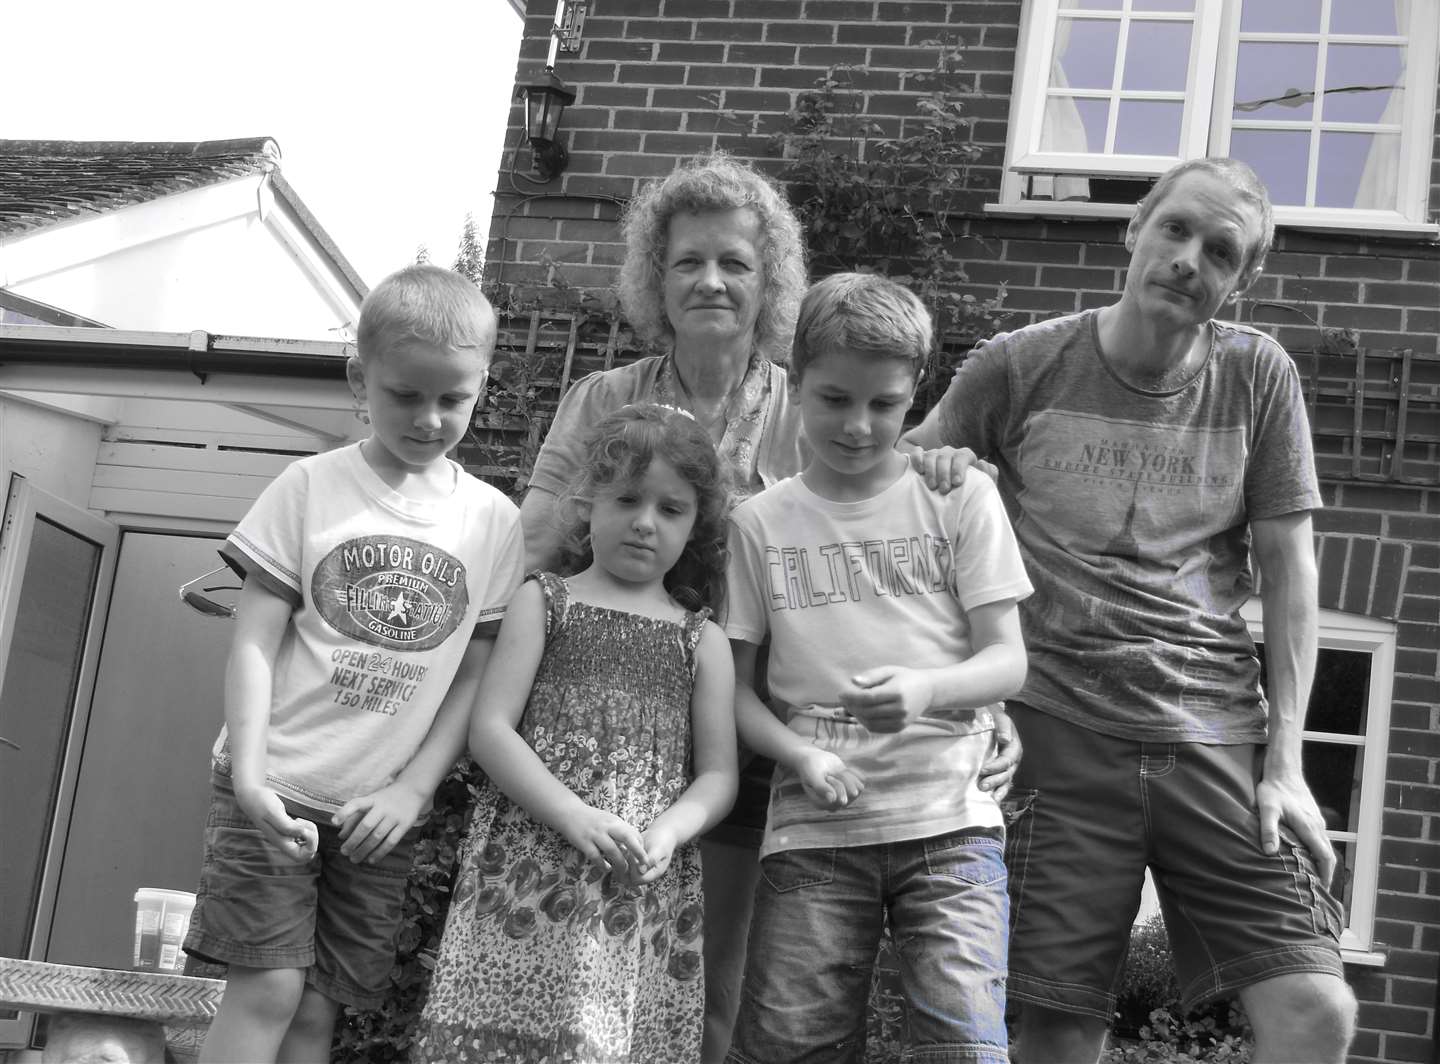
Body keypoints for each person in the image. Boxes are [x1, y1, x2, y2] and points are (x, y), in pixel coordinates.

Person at [519, 153, 1019, 1061]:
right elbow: (533, 553)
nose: (710, 281)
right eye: (687, 262)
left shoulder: (817, 403)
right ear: (654, 277)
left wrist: (978, 700)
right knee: (586, 975)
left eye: (735, 263)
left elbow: (906, 529)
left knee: (724, 985)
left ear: (771, 281)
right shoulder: (603, 400)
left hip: (760, 737)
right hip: (610, 721)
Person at [903, 157, 1357, 1063]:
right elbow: (892, 491)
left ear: (1241, 280)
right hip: (1057, 735)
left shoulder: (1257, 378)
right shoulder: (1020, 364)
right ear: (1135, 230)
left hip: (1214, 737)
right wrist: (936, 469)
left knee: (1317, 1009)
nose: (1190, 258)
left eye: (1220, 251)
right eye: (1175, 230)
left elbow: (1289, 571)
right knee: (1060, 1027)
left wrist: (1289, 763)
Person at [184, 265, 525, 1064]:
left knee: (317, 1013)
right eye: (406, 394)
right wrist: (251, 779)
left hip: (377, 814)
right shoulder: (309, 488)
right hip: (278, 789)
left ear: (482, 387)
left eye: (455, 399)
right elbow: (253, 643)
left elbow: (473, 676)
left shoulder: (493, 522)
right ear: (358, 378)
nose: (430, 417)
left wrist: (414, 789)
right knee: (267, 989)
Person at [724, 273, 1032, 1064]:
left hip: (951, 822)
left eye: (885, 405)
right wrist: (800, 753)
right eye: (833, 400)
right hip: (812, 830)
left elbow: (1008, 662)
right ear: (794, 386)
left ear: (915, 397)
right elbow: (738, 690)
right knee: (791, 1045)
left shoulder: (959, 497)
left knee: (964, 1046)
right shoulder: (758, 524)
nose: (859, 426)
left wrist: (928, 688)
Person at [411, 404, 738, 1063]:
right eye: (626, 499)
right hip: (526, 869)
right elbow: (491, 730)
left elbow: (719, 773)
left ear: (695, 525)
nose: (645, 523)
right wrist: (572, 814)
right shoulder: (544, 600)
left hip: (635, 880)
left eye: (671, 510)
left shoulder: (701, 639)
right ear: (588, 504)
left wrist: (670, 831)